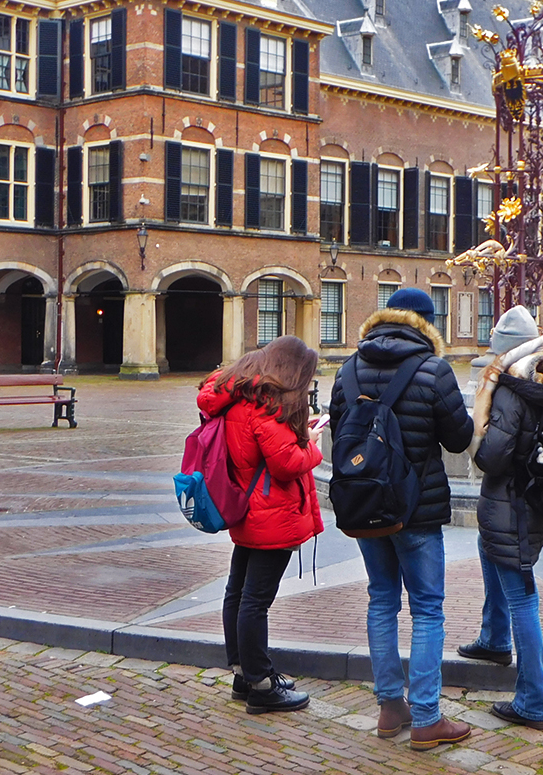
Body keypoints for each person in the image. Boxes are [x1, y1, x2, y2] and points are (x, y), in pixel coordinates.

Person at [328, 287, 474, 751]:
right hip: (417, 510)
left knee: (381, 601)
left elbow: (338, 434)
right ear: (426, 323)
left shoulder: (348, 369)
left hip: (366, 506)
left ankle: (391, 707)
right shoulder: (434, 370)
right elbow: (459, 439)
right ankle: (428, 717)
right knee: (428, 608)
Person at [459, 306, 543, 732]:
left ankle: (532, 700)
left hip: (511, 500)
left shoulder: (512, 389)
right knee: (489, 549)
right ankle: (493, 638)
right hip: (535, 500)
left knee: (522, 595)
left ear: (505, 351)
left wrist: (479, 425)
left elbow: (492, 456)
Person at [196, 335, 324, 714]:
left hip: (247, 506)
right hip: (272, 512)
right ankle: (262, 686)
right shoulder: (266, 407)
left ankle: (244, 672)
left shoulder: (238, 396)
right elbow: (286, 463)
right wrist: (312, 443)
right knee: (256, 600)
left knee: (238, 591)